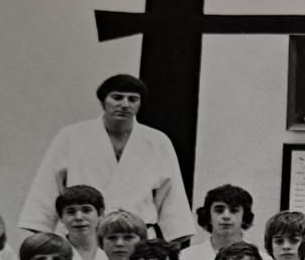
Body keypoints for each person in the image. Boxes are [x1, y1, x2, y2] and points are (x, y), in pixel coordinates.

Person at [19, 74, 195, 245]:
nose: (124, 105)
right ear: (103, 101)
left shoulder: (157, 141)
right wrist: (42, 232)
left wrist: (172, 240)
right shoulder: (72, 136)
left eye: (132, 99)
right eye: (117, 98)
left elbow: (173, 194)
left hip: (136, 236)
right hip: (85, 236)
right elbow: (47, 186)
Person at [175, 184, 278, 260]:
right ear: (208, 215)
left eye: (234, 210)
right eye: (219, 210)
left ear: (244, 217)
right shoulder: (185, 258)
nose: (226, 216)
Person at [54, 185, 107, 260]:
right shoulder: (52, 253)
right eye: (71, 212)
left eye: (86, 210)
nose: (78, 217)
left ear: (101, 214)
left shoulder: (112, 250)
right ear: (60, 217)